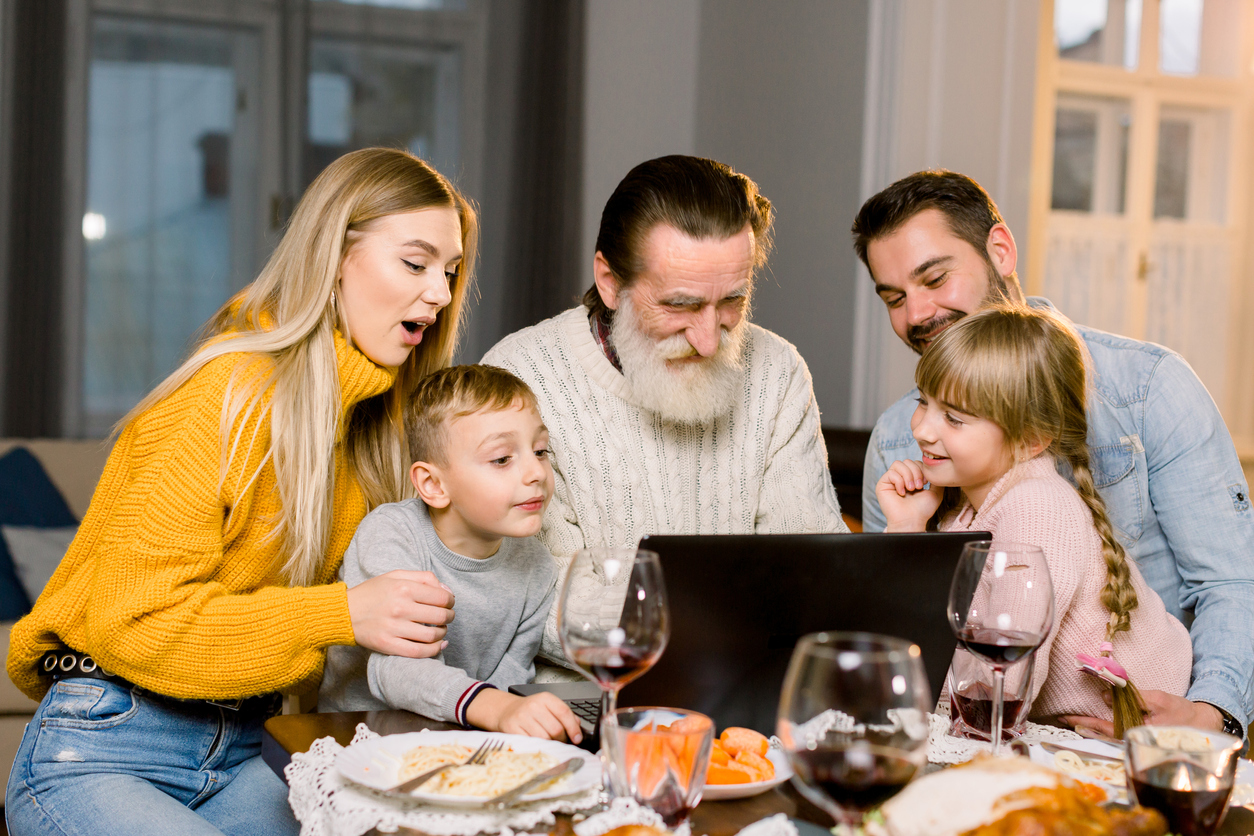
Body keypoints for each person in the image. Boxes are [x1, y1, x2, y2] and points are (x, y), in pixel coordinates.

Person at [4, 148, 473, 836]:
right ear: (333, 256)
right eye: (415, 262)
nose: (439, 292)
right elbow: (134, 624)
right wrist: (340, 613)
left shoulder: (371, 431)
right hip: (108, 748)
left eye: (451, 272)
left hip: (255, 745)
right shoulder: (222, 398)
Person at [854, 170, 1254, 739]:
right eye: (894, 297)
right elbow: (907, 638)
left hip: (1149, 741)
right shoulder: (902, 437)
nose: (917, 314)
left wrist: (1208, 715)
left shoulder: (1149, 387)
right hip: (1024, 737)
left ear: (1000, 250)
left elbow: (1233, 584)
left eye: (936, 277)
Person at [482, 155, 846, 665]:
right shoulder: (520, 376)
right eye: (680, 305)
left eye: (731, 303)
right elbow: (537, 600)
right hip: (577, 709)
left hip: (750, 695)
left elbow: (815, 575)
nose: (707, 339)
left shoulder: (777, 372)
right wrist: (732, 623)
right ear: (609, 281)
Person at [878, 305, 1192, 734]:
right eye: (923, 402)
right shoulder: (964, 508)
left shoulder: (1036, 508)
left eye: (953, 417)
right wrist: (907, 529)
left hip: (1138, 736)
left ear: (1030, 441)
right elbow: (929, 650)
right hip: (1061, 730)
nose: (922, 430)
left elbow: (997, 690)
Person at [319, 364, 582, 742]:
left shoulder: (537, 567)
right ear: (433, 484)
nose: (536, 472)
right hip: (360, 740)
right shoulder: (392, 535)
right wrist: (496, 708)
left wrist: (508, 714)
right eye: (502, 458)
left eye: (540, 451)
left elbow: (510, 680)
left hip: (461, 739)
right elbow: (397, 671)